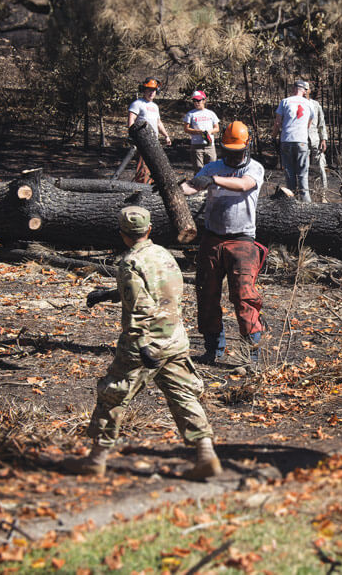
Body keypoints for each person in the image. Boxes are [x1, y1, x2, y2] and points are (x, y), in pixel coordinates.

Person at [68, 206, 221, 480]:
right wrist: (109, 294)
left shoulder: (129, 262)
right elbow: (156, 290)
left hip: (145, 343)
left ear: (123, 234)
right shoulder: (163, 255)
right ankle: (206, 454)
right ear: (149, 230)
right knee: (183, 395)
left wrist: (142, 344)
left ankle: (96, 459)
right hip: (174, 339)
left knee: (114, 394)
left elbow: (140, 306)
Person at [181, 121, 267, 366]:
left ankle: (251, 354)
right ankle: (213, 348)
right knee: (206, 294)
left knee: (244, 297)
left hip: (242, 240)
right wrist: (174, 188)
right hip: (212, 238)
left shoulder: (254, 169)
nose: (233, 155)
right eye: (229, 150)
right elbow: (191, 186)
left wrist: (214, 180)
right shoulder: (211, 167)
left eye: (237, 150)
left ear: (246, 146)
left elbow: (244, 185)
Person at [272, 80, 316, 203]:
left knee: (289, 173)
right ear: (304, 91)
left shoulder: (285, 102)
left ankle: (292, 202)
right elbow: (308, 124)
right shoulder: (309, 104)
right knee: (302, 174)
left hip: (286, 140)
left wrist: (273, 136)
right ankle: (306, 205)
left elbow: (277, 123)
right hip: (302, 141)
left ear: (294, 89)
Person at [128, 78, 172, 184]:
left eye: (154, 90)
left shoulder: (154, 106)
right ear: (144, 90)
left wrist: (166, 135)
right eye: (149, 90)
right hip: (142, 141)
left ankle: (151, 188)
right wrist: (132, 135)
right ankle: (141, 189)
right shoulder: (137, 103)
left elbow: (158, 123)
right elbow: (131, 119)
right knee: (143, 167)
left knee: (155, 167)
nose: (152, 92)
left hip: (154, 141)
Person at [301, 82, 329, 201]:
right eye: (302, 89)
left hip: (315, 141)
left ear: (309, 91)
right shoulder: (296, 104)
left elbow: (321, 123)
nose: (304, 91)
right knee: (303, 169)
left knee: (321, 168)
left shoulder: (315, 105)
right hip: (301, 141)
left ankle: (322, 195)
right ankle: (304, 196)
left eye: (306, 89)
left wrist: (323, 139)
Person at [182, 90, 220, 170]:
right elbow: (186, 128)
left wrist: (209, 132)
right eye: (194, 100)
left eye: (198, 100)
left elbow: (217, 128)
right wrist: (198, 132)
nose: (196, 103)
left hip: (210, 146)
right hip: (196, 146)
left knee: (212, 169)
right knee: (198, 170)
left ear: (204, 100)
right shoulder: (190, 114)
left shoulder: (211, 113)